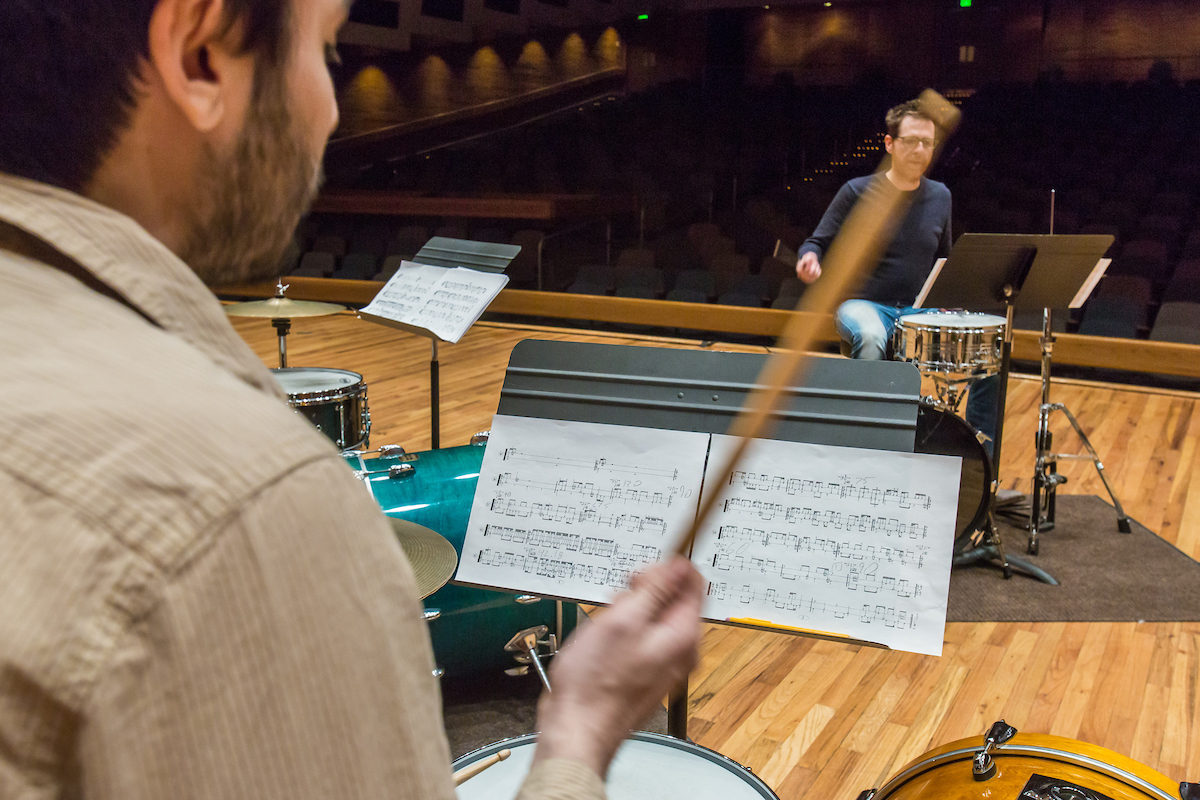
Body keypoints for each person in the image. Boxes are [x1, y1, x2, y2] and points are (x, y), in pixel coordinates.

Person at [0, 2, 703, 799]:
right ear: (199, 54)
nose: (333, 110)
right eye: (325, 52)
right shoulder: (242, 504)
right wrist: (580, 730)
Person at [795, 99, 998, 451]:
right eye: (911, 140)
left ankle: (978, 450)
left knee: (988, 342)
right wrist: (809, 258)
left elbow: (944, 259)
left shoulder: (940, 196)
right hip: (864, 305)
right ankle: (861, 442)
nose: (920, 150)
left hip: (919, 311)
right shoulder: (857, 191)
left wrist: (948, 301)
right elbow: (816, 241)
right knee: (872, 337)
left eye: (928, 142)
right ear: (889, 144)